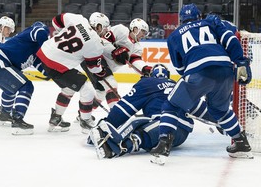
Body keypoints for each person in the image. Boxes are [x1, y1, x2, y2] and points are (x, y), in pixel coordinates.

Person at [150, 3, 253, 165]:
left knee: (172, 105)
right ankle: (240, 142)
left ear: (181, 19)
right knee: (220, 110)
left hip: (197, 72)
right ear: (199, 16)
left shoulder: (174, 35)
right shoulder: (211, 22)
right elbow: (230, 37)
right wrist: (241, 61)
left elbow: (180, 68)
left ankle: (163, 144)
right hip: (225, 70)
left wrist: (197, 84)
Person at [88, 64, 216, 160]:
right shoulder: (179, 85)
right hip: (181, 130)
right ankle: (113, 139)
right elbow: (200, 108)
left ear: (151, 75)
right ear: (168, 75)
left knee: (137, 125)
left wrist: (109, 122)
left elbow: (123, 109)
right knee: (140, 124)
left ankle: (114, 145)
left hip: (163, 124)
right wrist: (221, 120)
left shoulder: (146, 83)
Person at [37, 13, 107, 133]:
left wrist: (61, 33)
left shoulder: (79, 19)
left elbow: (56, 20)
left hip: (44, 52)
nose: (104, 32)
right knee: (88, 90)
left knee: (69, 88)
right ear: (99, 27)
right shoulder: (96, 43)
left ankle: (56, 118)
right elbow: (93, 68)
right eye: (104, 28)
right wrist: (102, 71)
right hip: (58, 65)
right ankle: (85, 121)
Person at [0, 22, 50, 135]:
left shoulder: (35, 53)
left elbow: (45, 69)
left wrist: (58, 72)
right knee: (26, 86)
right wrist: (48, 49)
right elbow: (40, 30)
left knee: (11, 89)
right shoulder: (34, 32)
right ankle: (18, 120)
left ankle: (5, 115)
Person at [88, 13, 152, 110]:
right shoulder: (120, 30)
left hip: (108, 67)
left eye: (145, 33)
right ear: (135, 29)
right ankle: (115, 116)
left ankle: (84, 115)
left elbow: (135, 60)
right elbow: (102, 40)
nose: (143, 35)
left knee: (101, 93)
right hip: (99, 59)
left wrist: (145, 68)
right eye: (142, 31)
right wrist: (113, 51)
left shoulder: (137, 47)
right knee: (112, 85)